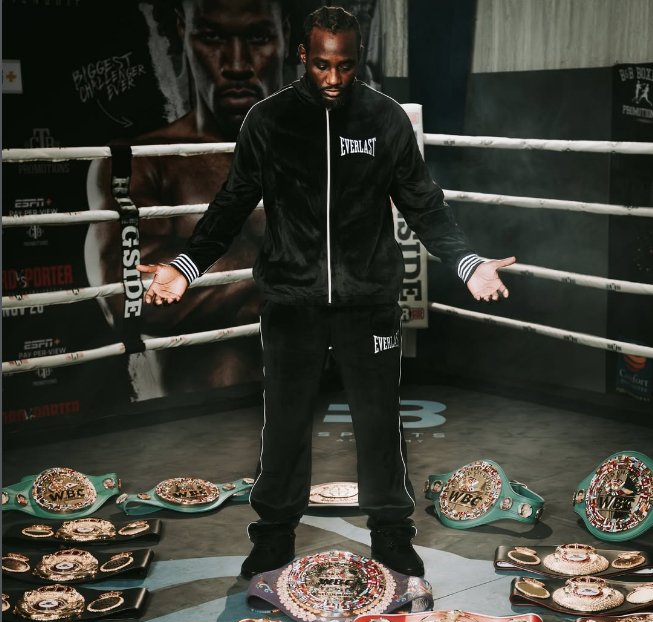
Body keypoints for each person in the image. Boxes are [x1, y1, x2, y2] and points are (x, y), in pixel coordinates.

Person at [137, 5, 514, 578]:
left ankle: (390, 532)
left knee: (379, 421)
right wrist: (185, 266)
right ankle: (272, 535)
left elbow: (422, 201)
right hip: (293, 301)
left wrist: (466, 263)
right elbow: (232, 203)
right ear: (301, 58)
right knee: (284, 424)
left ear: (357, 60)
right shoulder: (269, 121)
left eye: (344, 66)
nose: (333, 79)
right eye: (320, 66)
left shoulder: (385, 120)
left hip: (368, 302)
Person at [84, 0, 291, 396]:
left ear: (285, 33)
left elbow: (357, 269)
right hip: (196, 425)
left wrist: (203, 276)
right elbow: (130, 300)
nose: (236, 64)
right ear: (184, 30)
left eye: (258, 37)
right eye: (212, 37)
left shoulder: (316, 152)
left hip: (317, 405)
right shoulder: (143, 161)